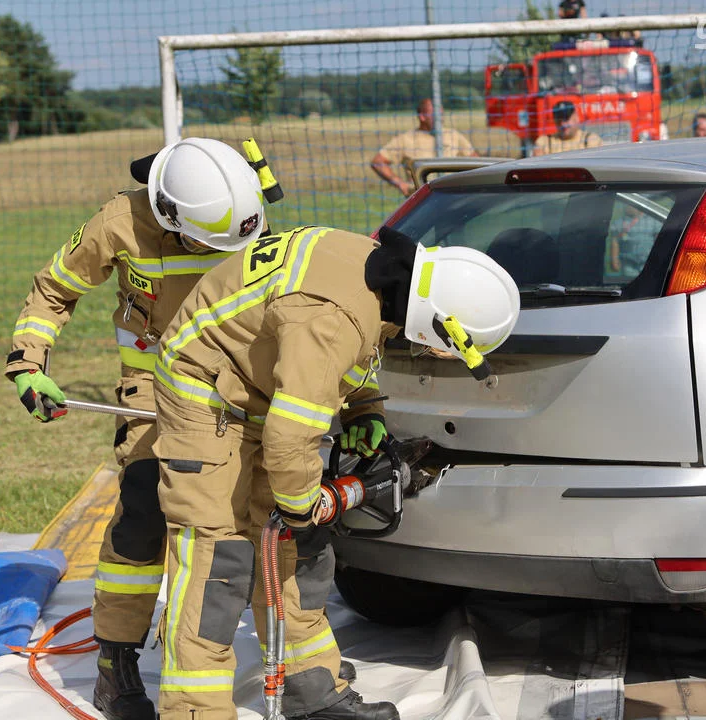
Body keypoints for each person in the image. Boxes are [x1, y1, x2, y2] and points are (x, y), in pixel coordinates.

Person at [151, 225, 520, 720]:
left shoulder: (385, 278)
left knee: (293, 546)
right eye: (443, 347)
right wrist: (304, 506)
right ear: (436, 321)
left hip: (258, 392)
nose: (436, 356)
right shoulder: (332, 318)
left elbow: (354, 353)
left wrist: (363, 409)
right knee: (219, 557)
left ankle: (312, 691)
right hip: (207, 397)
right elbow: (290, 432)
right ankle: (195, 709)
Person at [4, 137, 270, 720]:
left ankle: (294, 661)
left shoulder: (236, 210)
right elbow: (54, 288)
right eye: (201, 242)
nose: (214, 250)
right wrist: (29, 364)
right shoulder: (120, 221)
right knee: (143, 518)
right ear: (169, 217)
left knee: (255, 514)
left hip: (236, 393)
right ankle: (115, 666)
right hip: (152, 397)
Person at [370, 98, 478, 196]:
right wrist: (400, 183)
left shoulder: (453, 135)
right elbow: (378, 162)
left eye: (441, 115)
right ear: (422, 116)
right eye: (435, 115)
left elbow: (476, 162)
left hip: (451, 197)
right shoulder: (406, 139)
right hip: (422, 201)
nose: (440, 119)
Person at [532, 101, 603, 155]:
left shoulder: (590, 140)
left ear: (576, 117)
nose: (563, 124)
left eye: (566, 119)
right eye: (559, 119)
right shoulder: (544, 142)